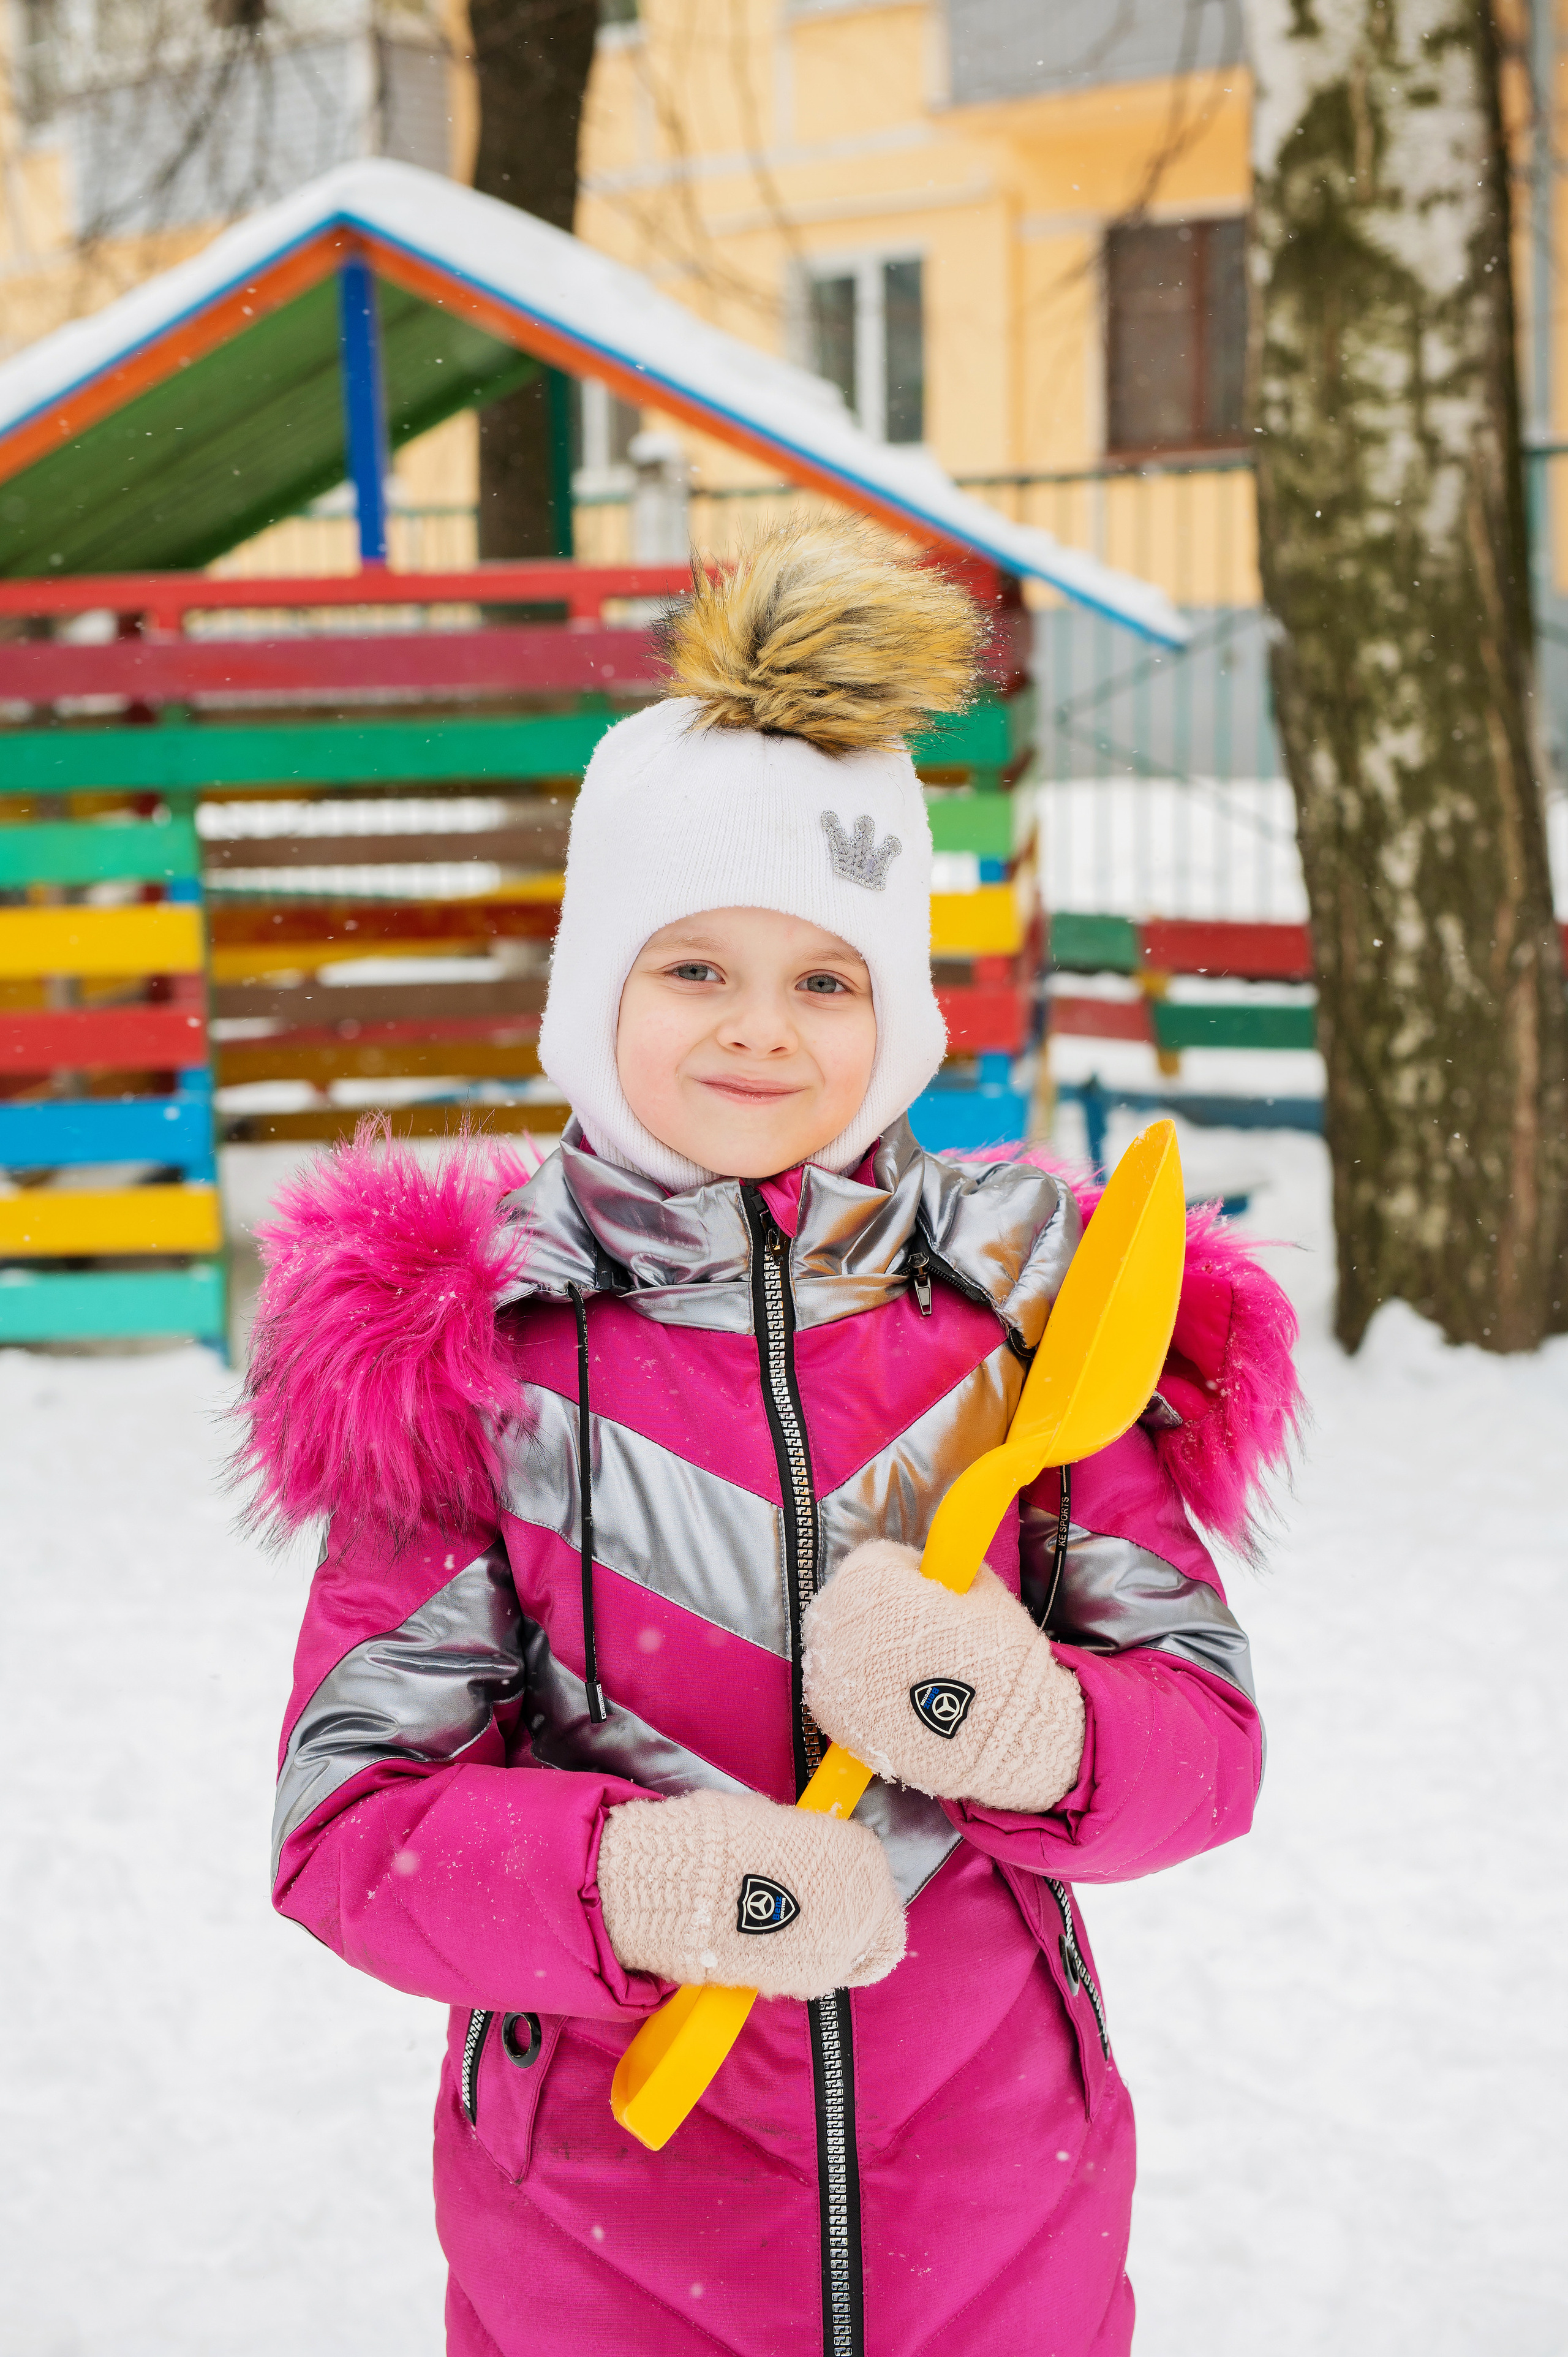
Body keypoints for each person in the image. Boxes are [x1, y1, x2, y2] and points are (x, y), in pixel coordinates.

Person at [240, 519, 1300, 2357]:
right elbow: (350, 1829)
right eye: (693, 970)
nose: (759, 1032)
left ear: (901, 1013)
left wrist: (1031, 1728)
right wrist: (634, 1885)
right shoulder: (478, 1364)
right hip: (602, 2231)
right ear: (595, 990)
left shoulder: (1024, 1329)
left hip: (1001, 2203)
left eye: (826, 979)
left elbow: (1203, 1745)